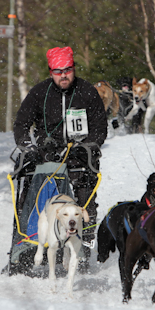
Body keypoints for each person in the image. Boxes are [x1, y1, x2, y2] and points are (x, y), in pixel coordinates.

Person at [13, 46, 107, 267]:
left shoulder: (87, 92)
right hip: (46, 157)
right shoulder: (39, 93)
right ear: (50, 72)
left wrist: (86, 147)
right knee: (28, 196)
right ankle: (24, 244)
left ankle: (81, 248)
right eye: (58, 71)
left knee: (83, 199)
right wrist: (29, 147)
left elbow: (99, 128)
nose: (63, 75)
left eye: (67, 70)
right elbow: (21, 125)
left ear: (74, 69)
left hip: (80, 158)